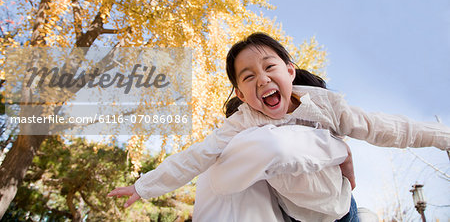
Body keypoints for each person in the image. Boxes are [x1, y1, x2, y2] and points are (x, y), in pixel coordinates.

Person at [108, 32, 450, 221]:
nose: (262, 80)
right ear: (241, 95)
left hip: (343, 212)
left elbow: (386, 127)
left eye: (269, 67)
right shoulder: (244, 122)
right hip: (296, 218)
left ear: (288, 71)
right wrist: (144, 186)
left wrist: (443, 138)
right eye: (248, 77)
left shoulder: (326, 107)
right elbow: (198, 154)